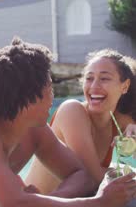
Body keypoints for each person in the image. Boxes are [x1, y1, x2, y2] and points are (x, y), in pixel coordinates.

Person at [0, 38, 136, 207]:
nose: (53, 98)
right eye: (50, 88)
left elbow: (81, 175)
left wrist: (46, 201)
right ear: (29, 96)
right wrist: (101, 204)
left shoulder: (36, 130)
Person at [26, 49, 136, 194]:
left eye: (104, 79)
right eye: (89, 78)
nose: (94, 86)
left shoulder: (117, 120)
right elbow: (93, 179)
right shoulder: (71, 111)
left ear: (125, 86)